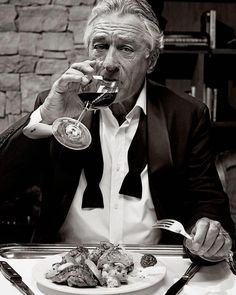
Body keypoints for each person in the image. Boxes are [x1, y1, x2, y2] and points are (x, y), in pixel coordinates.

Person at [0, 0, 235, 263]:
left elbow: (208, 202)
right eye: (100, 46)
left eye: (125, 48)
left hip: (153, 269)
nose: (109, 63)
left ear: (152, 59)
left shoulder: (187, 115)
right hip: (63, 266)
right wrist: (45, 116)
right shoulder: (58, 104)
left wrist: (209, 230)